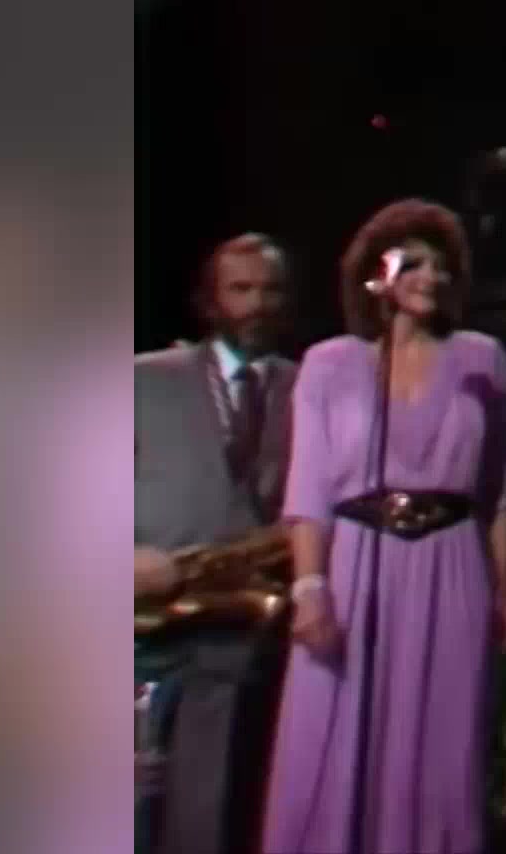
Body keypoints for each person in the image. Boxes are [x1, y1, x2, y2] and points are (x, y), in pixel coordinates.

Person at [259, 199, 506, 854]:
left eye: (442, 266)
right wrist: (310, 587)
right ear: (376, 275)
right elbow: (309, 488)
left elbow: (499, 491)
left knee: (444, 745)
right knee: (332, 734)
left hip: (452, 568)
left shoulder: (482, 360)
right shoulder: (329, 363)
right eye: (415, 262)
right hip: (356, 567)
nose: (431, 277)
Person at [135, 232, 299, 854]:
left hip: (254, 640)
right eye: (240, 289)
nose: (257, 304)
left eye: (270, 291)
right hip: (152, 627)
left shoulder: (313, 386)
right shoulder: (142, 379)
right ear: (208, 302)